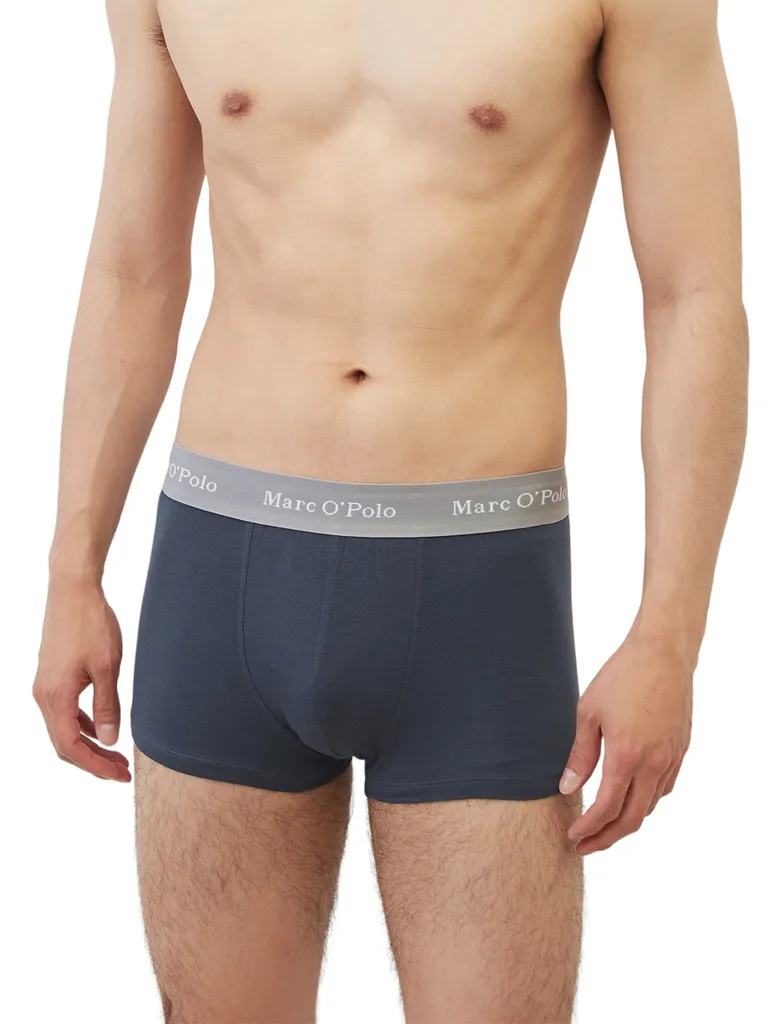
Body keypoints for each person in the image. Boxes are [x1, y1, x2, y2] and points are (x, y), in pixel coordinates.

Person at [32, 0, 748, 1021]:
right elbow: (132, 268)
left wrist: (669, 636)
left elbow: (693, 297)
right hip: (222, 568)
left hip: (480, 593)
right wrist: (72, 567)